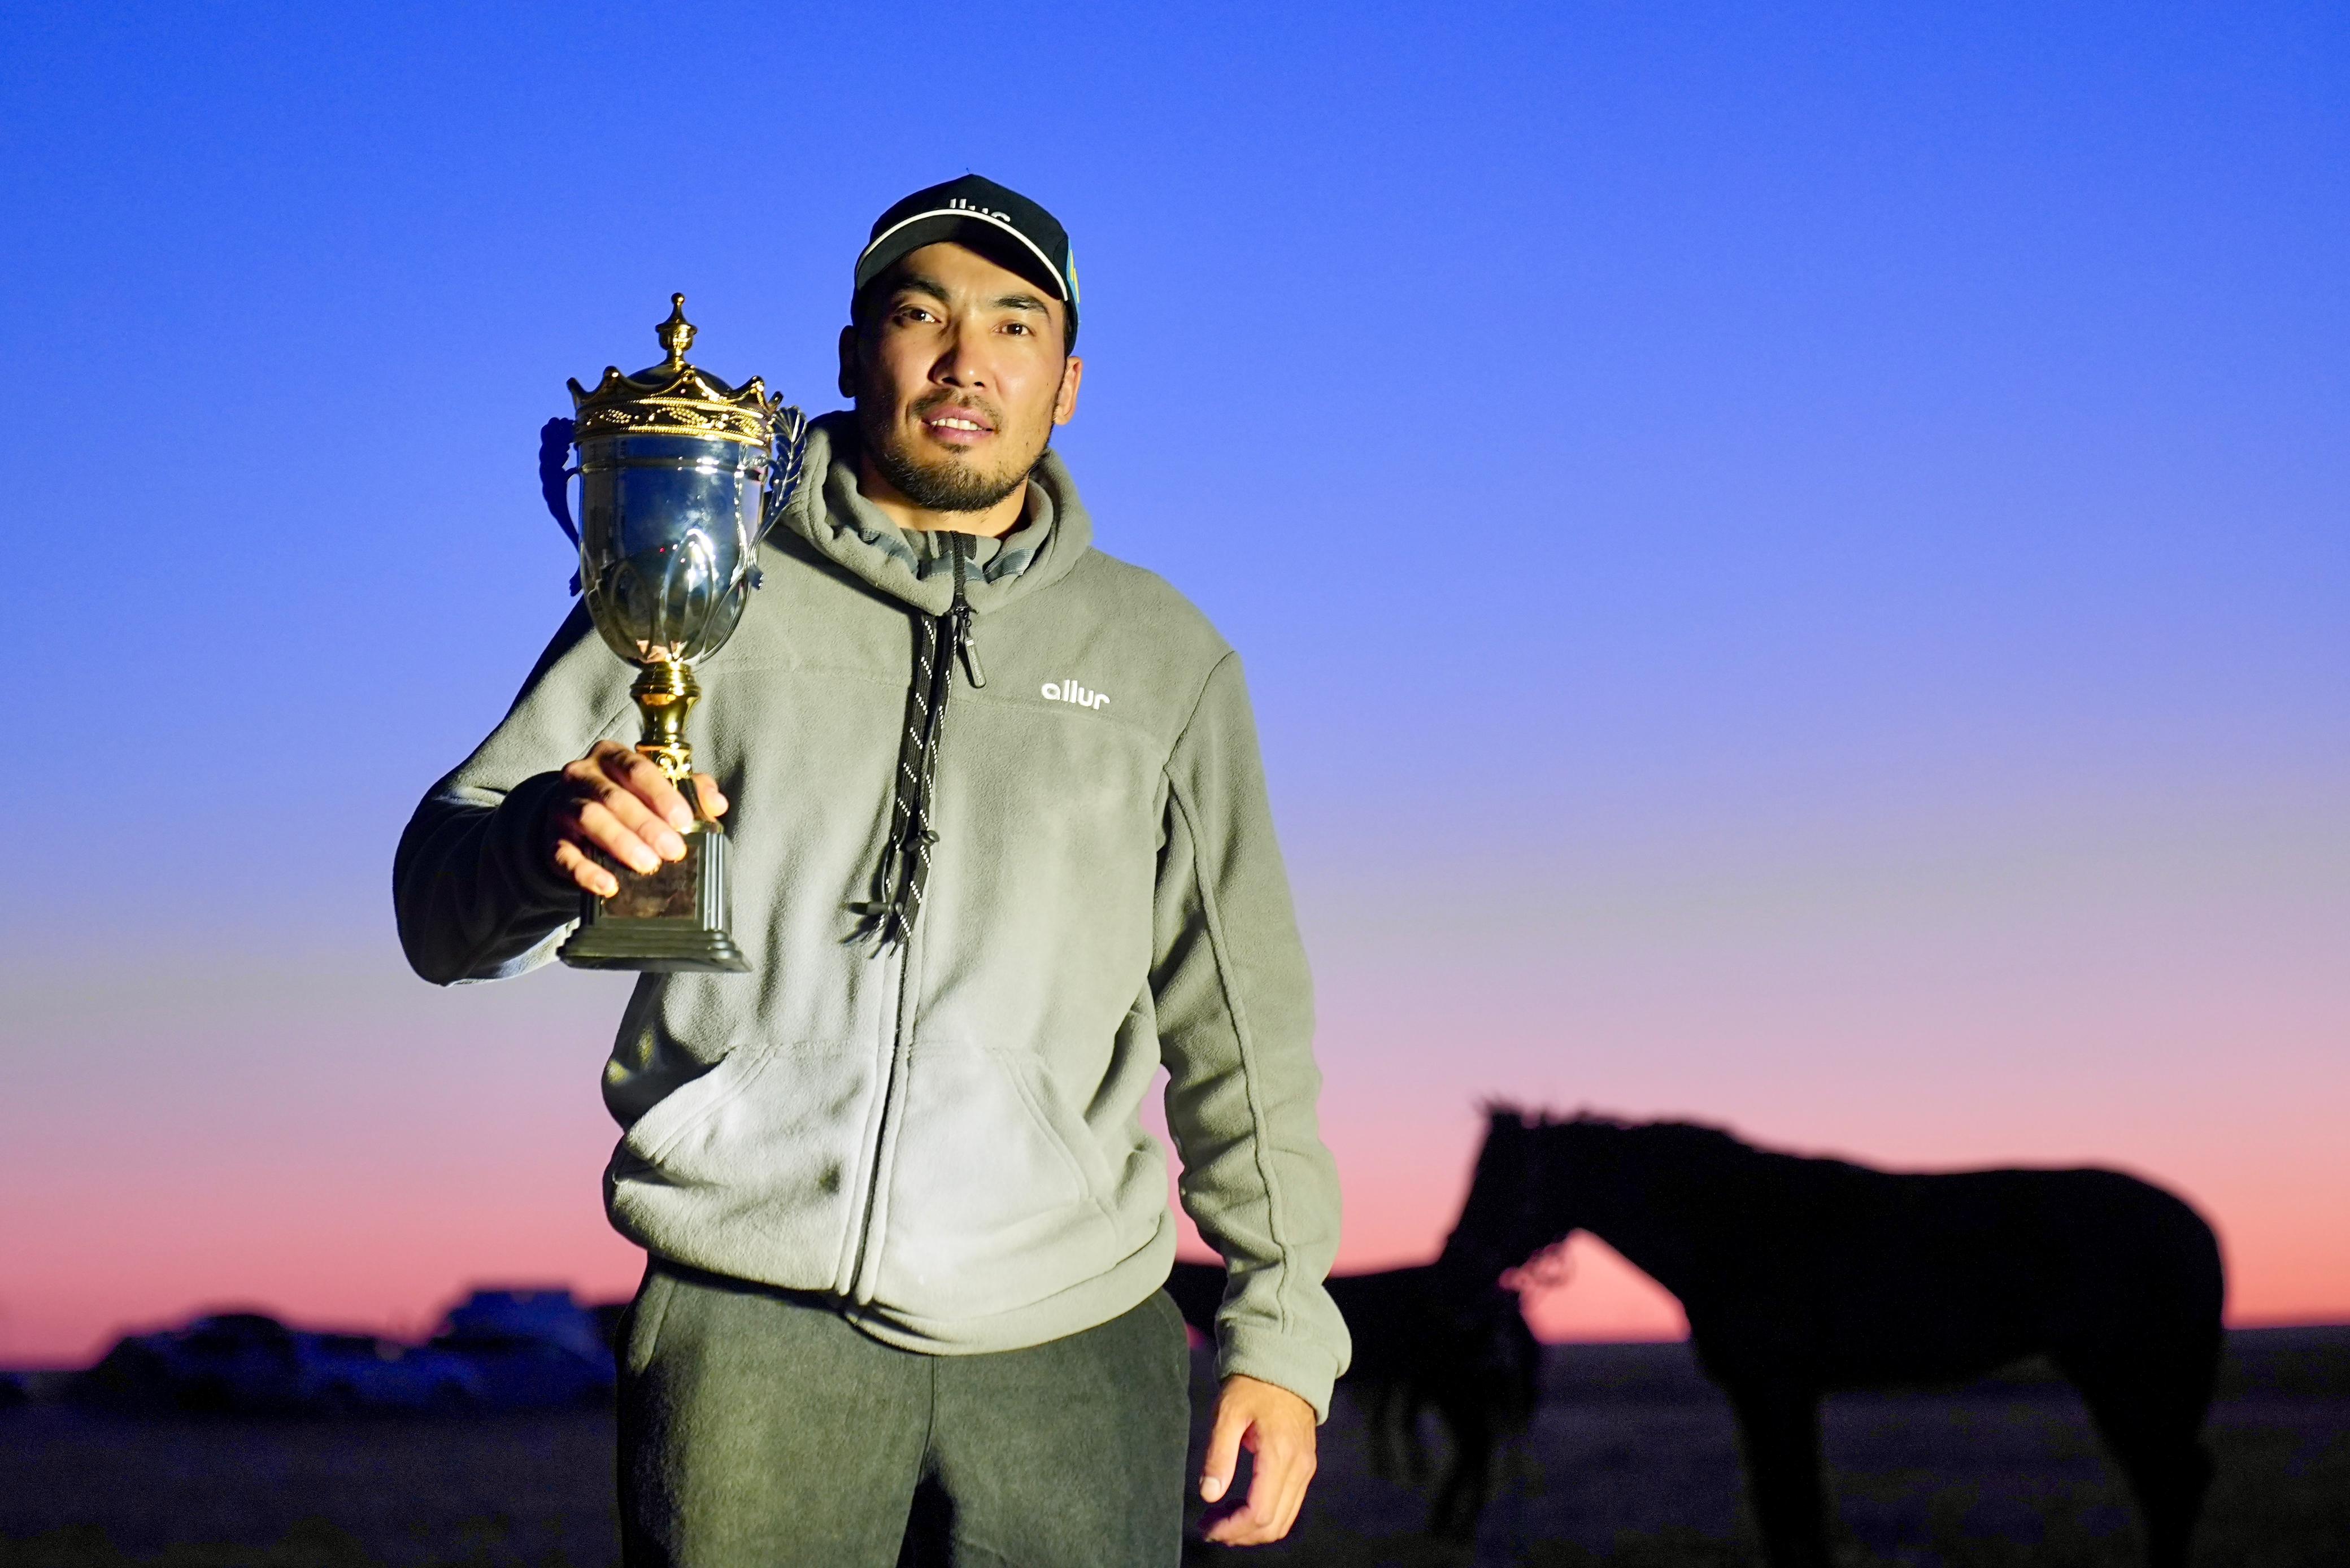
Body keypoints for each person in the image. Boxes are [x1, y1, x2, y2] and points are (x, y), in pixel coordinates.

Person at [394, 175, 1348, 1566]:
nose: (967, 361)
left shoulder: (1164, 657)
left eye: (1015, 326)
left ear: (1068, 383)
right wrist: (545, 838)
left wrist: (1281, 1327)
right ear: (852, 356)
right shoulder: (692, 574)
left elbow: (1242, 1022)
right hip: (747, 1326)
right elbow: (437, 909)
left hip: (1076, 1343)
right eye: (922, 315)